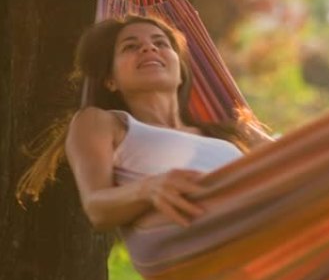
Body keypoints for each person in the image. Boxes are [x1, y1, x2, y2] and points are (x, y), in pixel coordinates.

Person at [17, 15, 272, 230]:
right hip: (214, 240)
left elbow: (293, 164)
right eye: (130, 46)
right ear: (110, 80)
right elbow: (96, 207)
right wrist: (149, 189)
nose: (149, 49)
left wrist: (252, 134)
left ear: (181, 72)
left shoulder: (227, 132)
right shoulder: (101, 122)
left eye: (160, 43)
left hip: (269, 222)